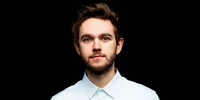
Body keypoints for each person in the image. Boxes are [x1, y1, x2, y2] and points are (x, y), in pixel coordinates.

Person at [51, 2, 160, 100]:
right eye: (87, 39)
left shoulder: (147, 97)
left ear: (118, 45)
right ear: (77, 47)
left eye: (105, 38)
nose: (96, 46)